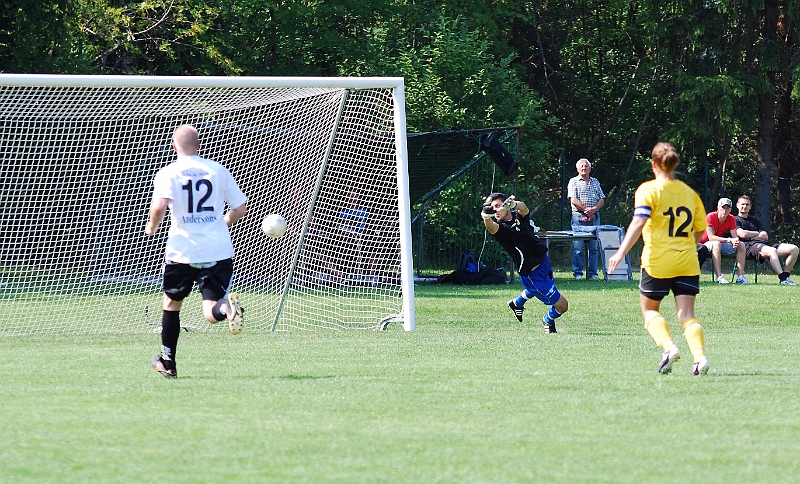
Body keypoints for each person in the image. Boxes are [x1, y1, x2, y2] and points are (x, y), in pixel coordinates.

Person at [145, 124, 248, 378]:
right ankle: (227, 309)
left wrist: (152, 226)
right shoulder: (217, 170)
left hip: (183, 251)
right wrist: (220, 224)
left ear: (174, 146)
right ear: (199, 145)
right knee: (211, 311)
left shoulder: (168, 173)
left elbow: (159, 206)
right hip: (217, 250)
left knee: (171, 304)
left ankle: (169, 363)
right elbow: (240, 208)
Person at [608, 142, 709, 376]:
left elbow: (639, 222)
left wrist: (620, 252)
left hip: (658, 261)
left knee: (650, 310)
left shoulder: (648, 190)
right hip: (687, 261)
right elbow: (699, 230)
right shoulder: (689, 193)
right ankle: (700, 357)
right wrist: (688, 247)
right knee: (686, 314)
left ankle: (669, 347)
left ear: (653, 164)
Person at [481, 193, 568, 333]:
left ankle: (517, 303)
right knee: (563, 305)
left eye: (497, 206)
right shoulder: (500, 229)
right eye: (492, 208)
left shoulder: (518, 217)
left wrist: (513, 204)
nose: (495, 210)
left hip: (543, 261)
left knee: (539, 290)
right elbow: (490, 227)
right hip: (532, 274)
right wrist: (486, 216)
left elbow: (524, 208)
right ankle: (547, 320)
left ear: (506, 206)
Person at [735, 195, 798, 285]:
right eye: (742, 204)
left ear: (750, 206)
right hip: (749, 246)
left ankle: (786, 276)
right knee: (772, 250)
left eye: (747, 204)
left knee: (794, 249)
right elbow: (742, 234)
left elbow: (765, 236)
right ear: (737, 205)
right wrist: (757, 233)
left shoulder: (755, 221)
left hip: (765, 244)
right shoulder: (735, 220)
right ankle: (782, 278)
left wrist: (750, 235)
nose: (744, 206)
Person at [567, 158, 605, 280]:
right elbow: (573, 199)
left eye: (586, 166)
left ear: (590, 168)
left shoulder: (595, 182)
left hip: (595, 218)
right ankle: (578, 274)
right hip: (579, 218)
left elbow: (602, 199)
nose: (584, 168)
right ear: (577, 169)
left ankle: (593, 274)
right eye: (581, 166)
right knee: (578, 248)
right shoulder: (573, 182)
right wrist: (586, 211)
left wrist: (594, 210)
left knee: (593, 248)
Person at [700, 198, 747, 284]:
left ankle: (740, 277)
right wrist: (729, 240)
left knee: (741, 245)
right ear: (718, 208)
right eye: (723, 207)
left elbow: (735, 237)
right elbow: (711, 237)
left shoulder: (731, 218)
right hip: (704, 244)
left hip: (719, 244)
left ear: (730, 209)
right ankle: (719, 277)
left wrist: (736, 241)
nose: (725, 210)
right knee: (717, 244)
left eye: (727, 208)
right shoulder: (710, 216)